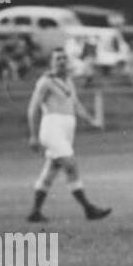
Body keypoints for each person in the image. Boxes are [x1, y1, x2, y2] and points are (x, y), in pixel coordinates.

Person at [25, 48, 110, 222]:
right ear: (51, 62)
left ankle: (35, 212)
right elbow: (33, 108)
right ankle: (88, 209)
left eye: (64, 58)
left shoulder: (68, 80)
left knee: (51, 170)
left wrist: (91, 121)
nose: (62, 61)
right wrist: (33, 135)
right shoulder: (45, 82)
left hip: (66, 130)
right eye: (58, 59)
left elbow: (76, 104)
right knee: (71, 164)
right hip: (52, 127)